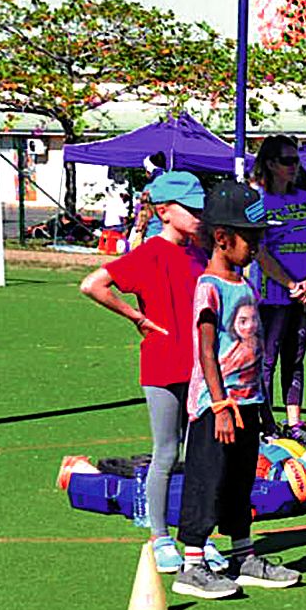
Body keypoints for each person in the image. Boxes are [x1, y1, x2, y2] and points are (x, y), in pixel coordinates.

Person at [78, 170, 210, 574]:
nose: (200, 216)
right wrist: (136, 316)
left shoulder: (198, 252)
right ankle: (159, 536)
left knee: (201, 458)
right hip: (163, 364)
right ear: (166, 211)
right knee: (167, 452)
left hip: (200, 368)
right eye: (192, 209)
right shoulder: (151, 251)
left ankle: (196, 542)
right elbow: (92, 284)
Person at [173, 181, 298, 598]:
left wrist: (260, 402)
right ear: (223, 238)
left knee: (240, 481)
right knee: (208, 479)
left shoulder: (246, 284)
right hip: (216, 405)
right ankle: (192, 564)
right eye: (252, 236)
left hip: (249, 401)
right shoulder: (209, 286)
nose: (257, 245)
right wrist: (221, 404)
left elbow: (252, 346)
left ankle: (242, 556)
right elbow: (206, 351)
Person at [247, 135, 306, 445]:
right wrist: (291, 284)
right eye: (287, 161)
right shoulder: (257, 201)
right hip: (271, 296)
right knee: (266, 361)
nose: (294, 167)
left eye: (297, 161)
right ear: (270, 163)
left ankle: (294, 423)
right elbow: (259, 252)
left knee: (295, 359)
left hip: (303, 296)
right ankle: (264, 424)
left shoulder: (304, 200)